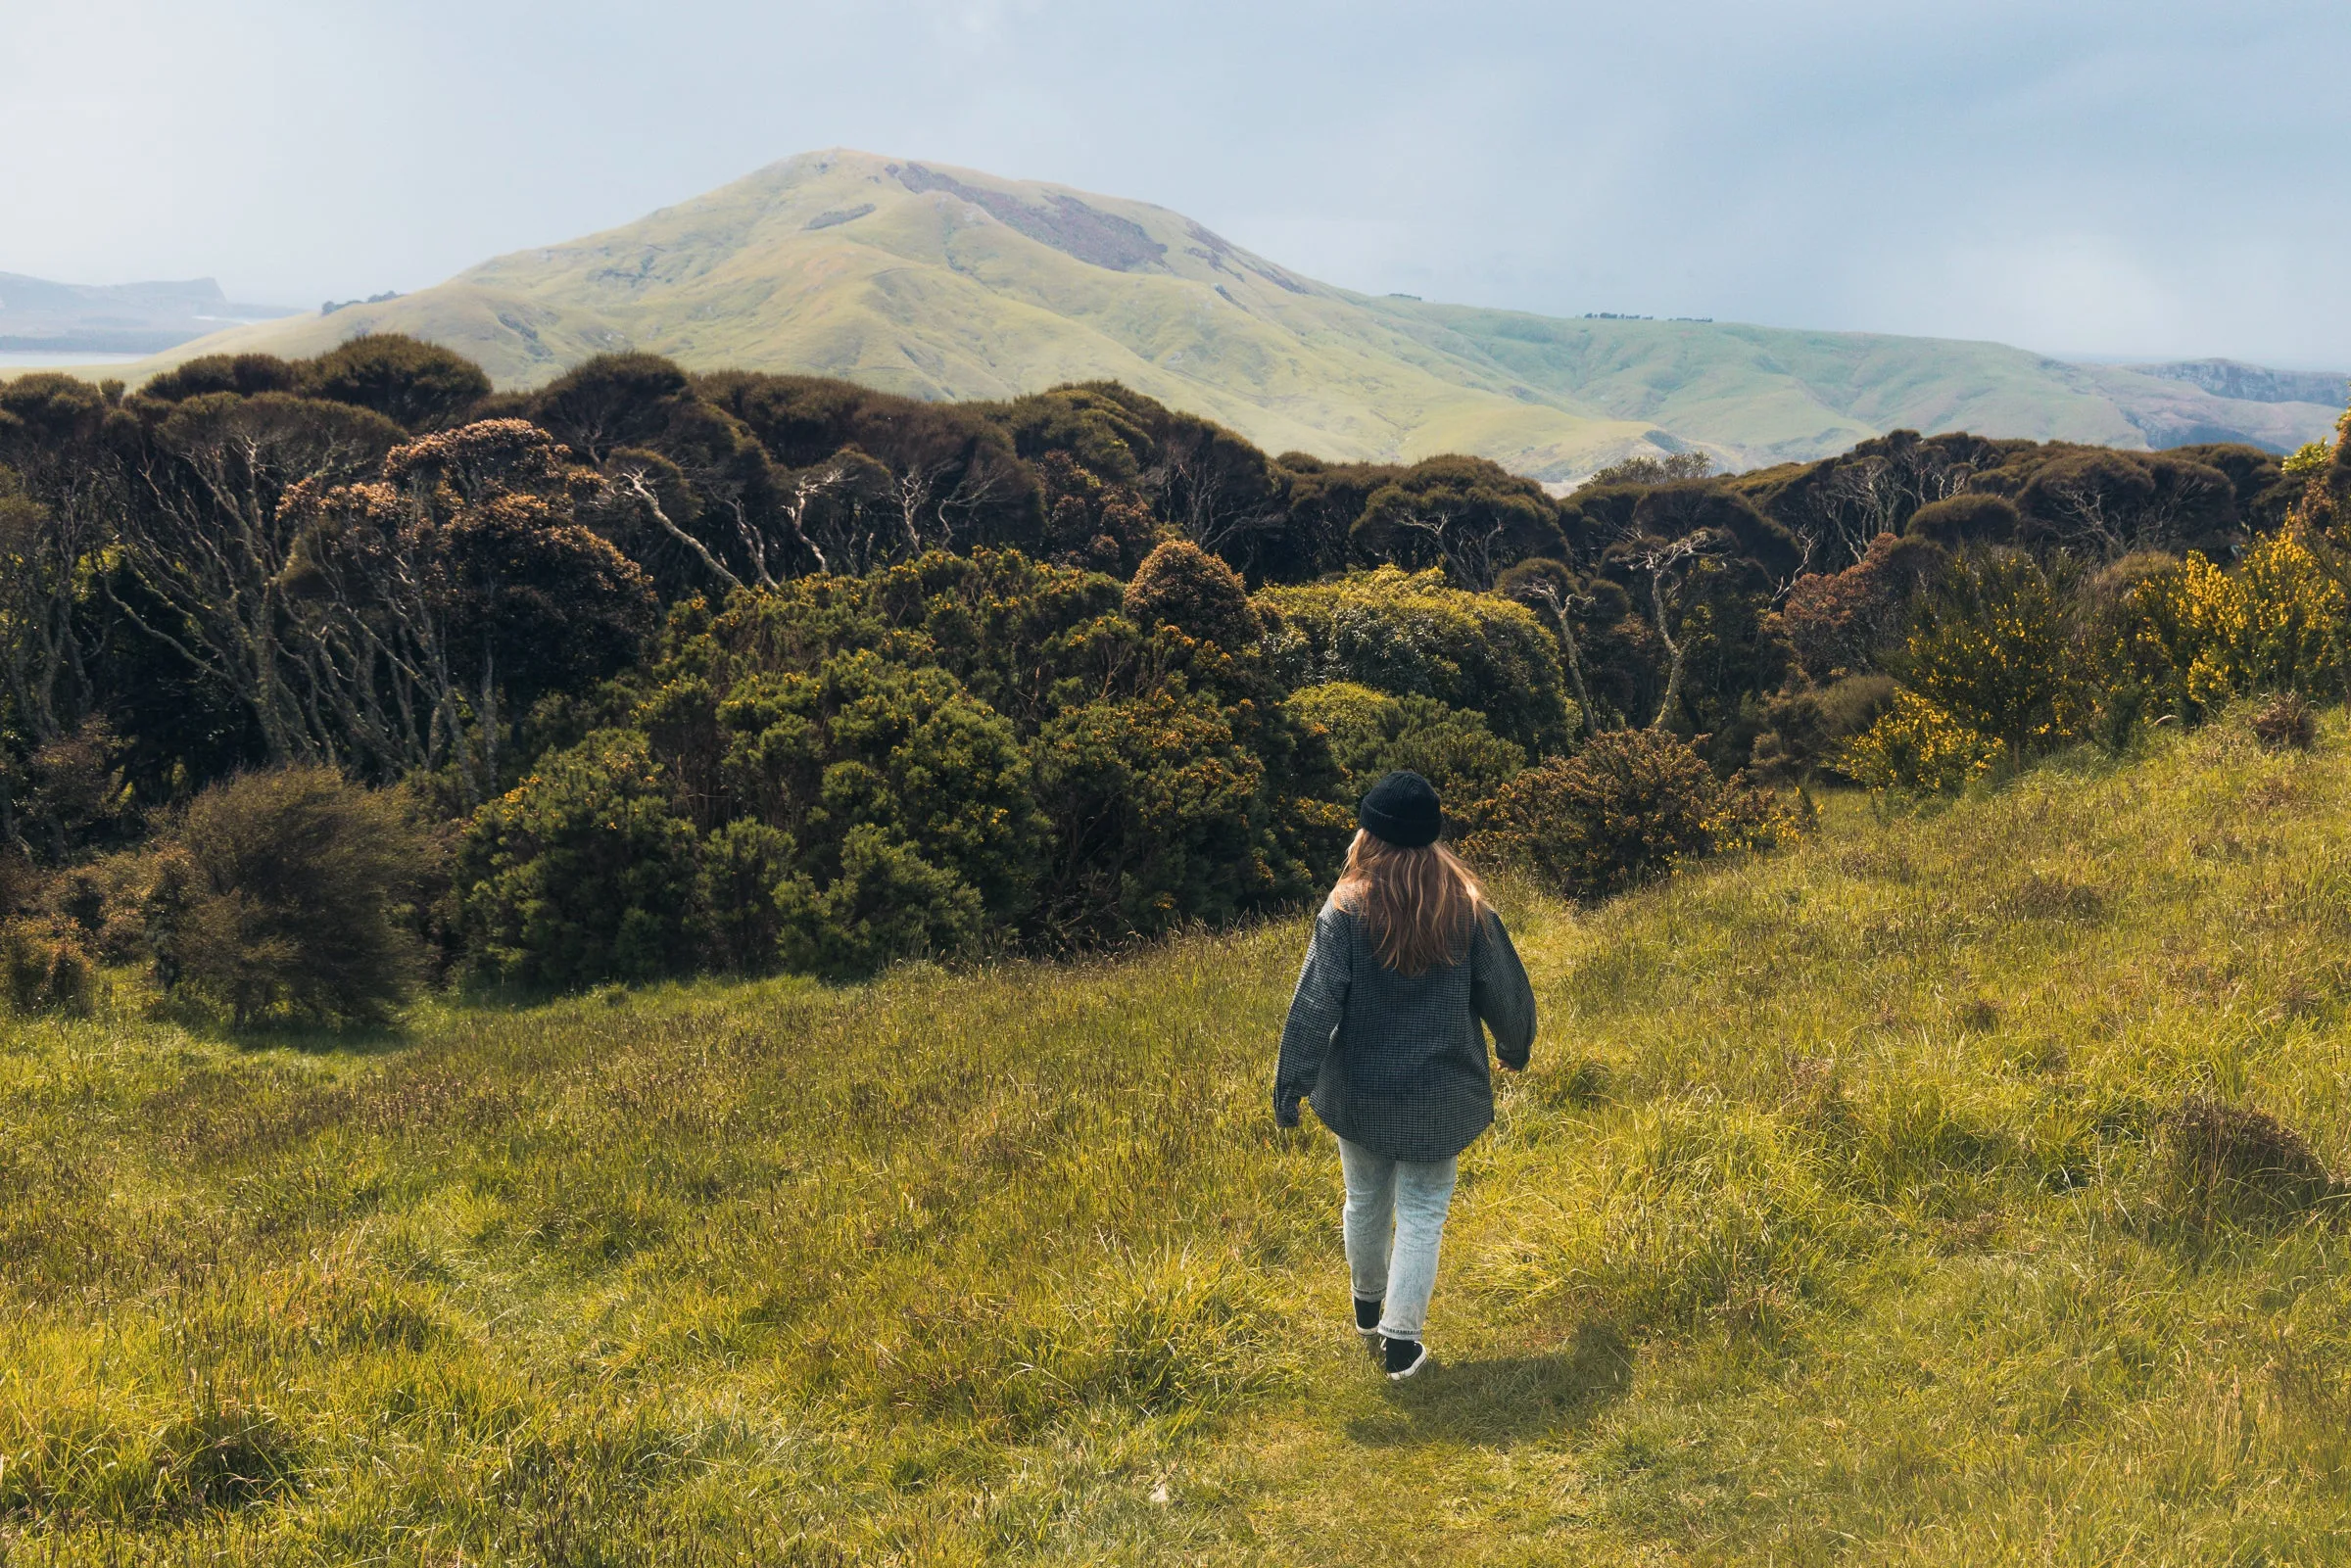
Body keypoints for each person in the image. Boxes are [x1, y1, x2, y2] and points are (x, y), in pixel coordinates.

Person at [1273, 770, 1537, 1381]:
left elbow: (1315, 1002)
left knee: (1364, 1199)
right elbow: (1505, 990)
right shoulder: (1466, 906)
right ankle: (1401, 1344)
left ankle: (1369, 1310)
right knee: (1422, 1212)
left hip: (1361, 1089)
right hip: (1441, 1094)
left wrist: (1292, 1084)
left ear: (1371, 835)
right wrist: (1515, 1047)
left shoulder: (1345, 907)